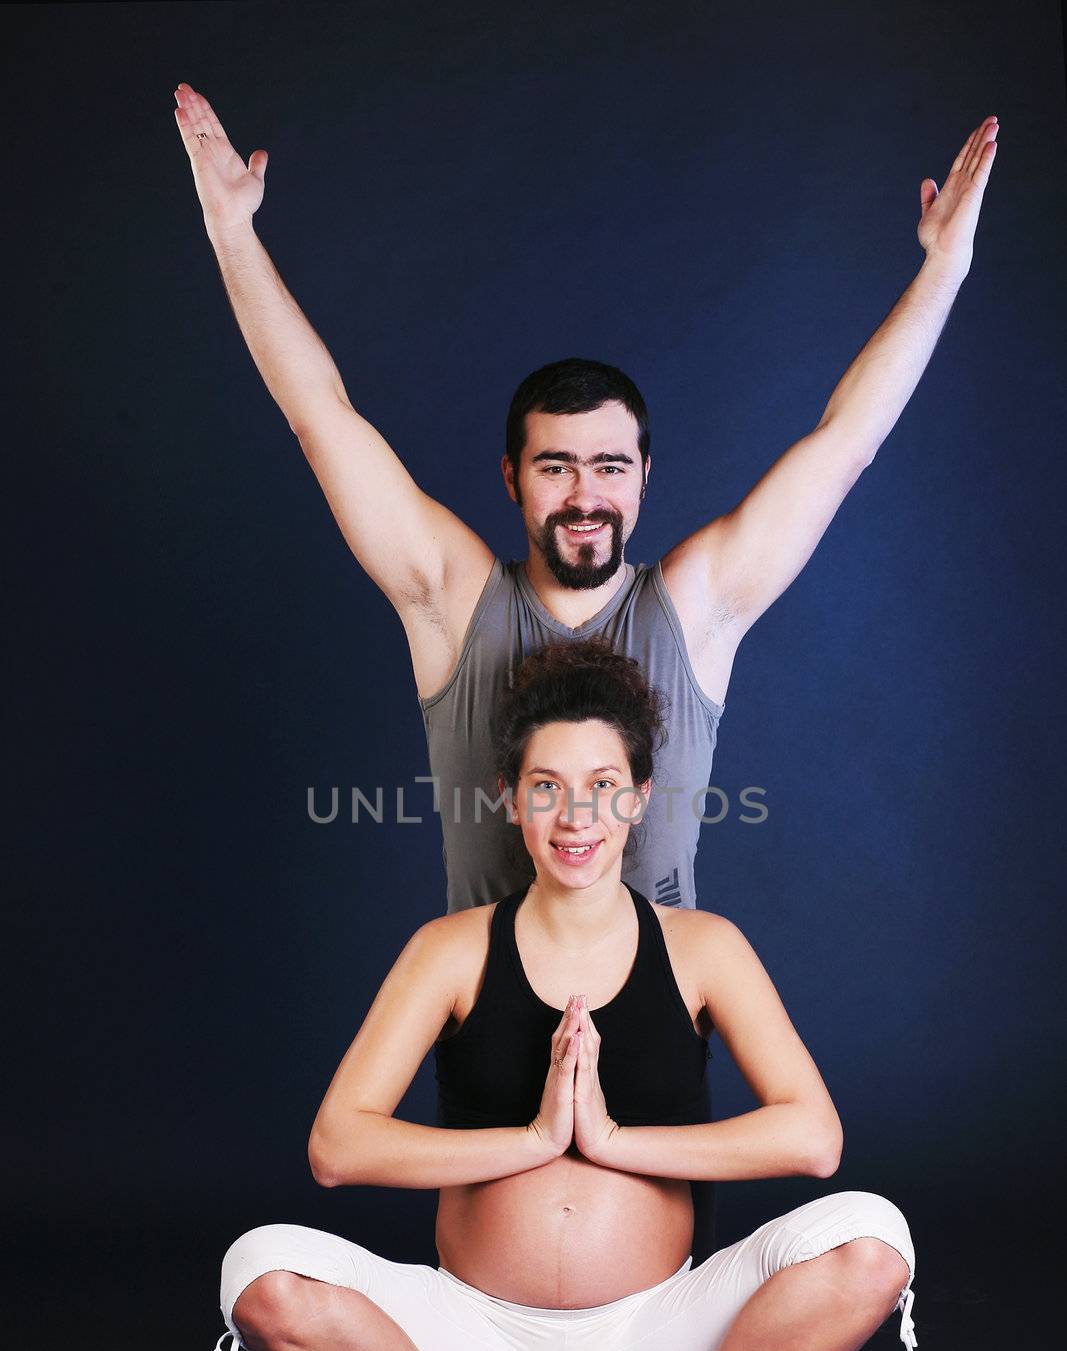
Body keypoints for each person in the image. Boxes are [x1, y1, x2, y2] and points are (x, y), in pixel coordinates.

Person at [173, 84, 999, 912]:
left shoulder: (695, 604)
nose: (582, 496)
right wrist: (231, 234)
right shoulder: (452, 601)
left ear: (644, 477)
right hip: (489, 1010)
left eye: (608, 467)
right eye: (554, 466)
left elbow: (844, 445)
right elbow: (322, 419)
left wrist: (944, 270)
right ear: (511, 478)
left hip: (655, 1019)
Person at [209, 638, 918, 1351]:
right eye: (545, 786)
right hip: (473, 1347)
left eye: (600, 785)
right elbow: (338, 1147)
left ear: (637, 797)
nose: (573, 815)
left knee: (874, 1238)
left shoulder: (704, 947)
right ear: (509, 797)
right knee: (258, 1271)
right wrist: (537, 1137)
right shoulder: (449, 949)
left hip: (655, 1343)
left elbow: (812, 1139)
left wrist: (612, 1140)